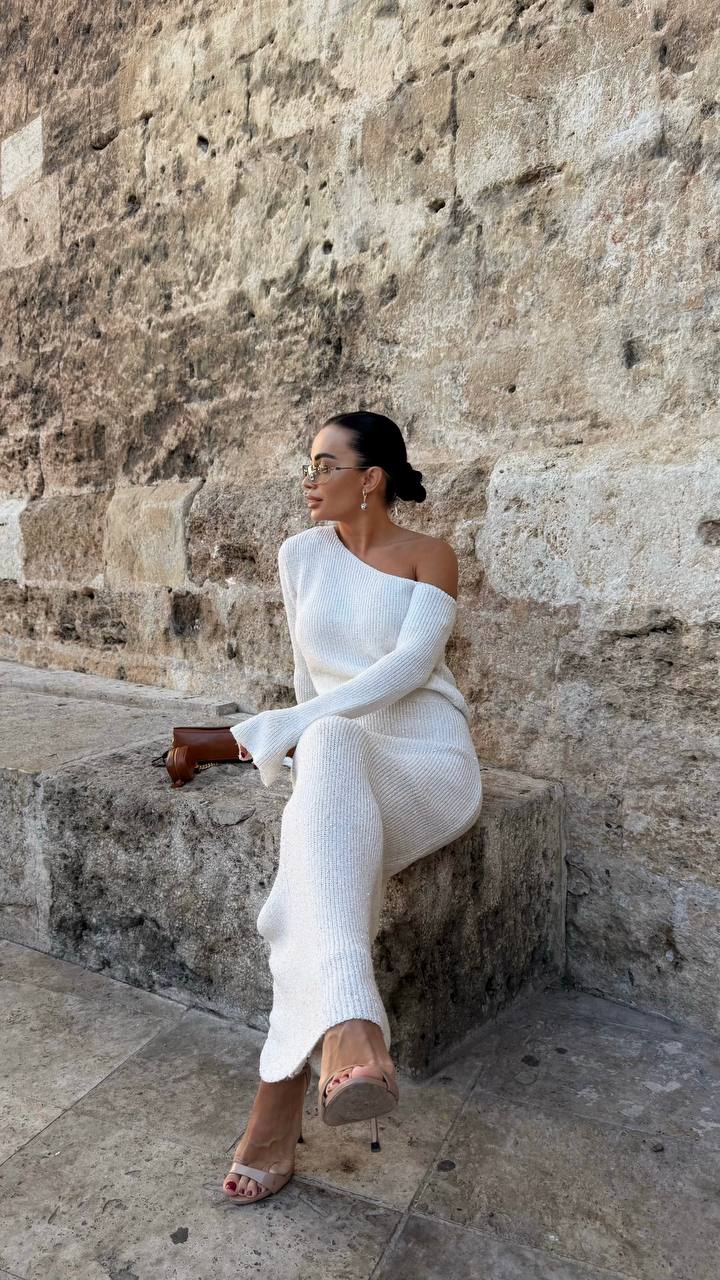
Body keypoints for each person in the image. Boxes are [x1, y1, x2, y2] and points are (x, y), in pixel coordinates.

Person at [221, 410, 483, 1205]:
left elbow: (409, 669)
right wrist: (310, 739)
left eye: (324, 464)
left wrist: (292, 730)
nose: (308, 478)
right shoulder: (298, 557)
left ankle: (277, 1108)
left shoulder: (428, 556)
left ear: (370, 478)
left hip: (427, 759)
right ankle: (349, 1028)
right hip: (342, 756)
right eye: (308, 463)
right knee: (329, 793)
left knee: (323, 784)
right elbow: (311, 685)